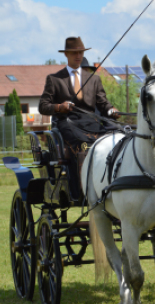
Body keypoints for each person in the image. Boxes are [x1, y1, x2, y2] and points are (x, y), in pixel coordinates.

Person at [38, 36, 120, 199]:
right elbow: (43, 106)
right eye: (75, 53)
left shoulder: (94, 79)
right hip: (67, 123)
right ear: (67, 54)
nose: (78, 56)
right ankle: (83, 191)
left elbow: (103, 103)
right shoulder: (55, 80)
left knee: (119, 136)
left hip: (92, 123)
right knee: (84, 145)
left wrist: (111, 110)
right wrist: (60, 107)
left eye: (81, 52)